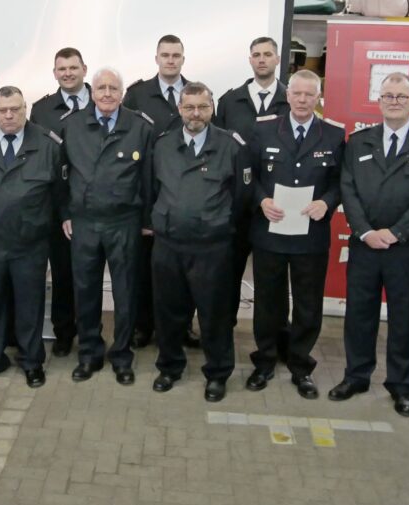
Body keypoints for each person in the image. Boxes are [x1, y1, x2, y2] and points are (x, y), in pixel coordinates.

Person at [329, 72, 409, 417]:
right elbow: (348, 189)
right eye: (388, 96)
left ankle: (401, 386)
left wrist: (397, 232)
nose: (394, 101)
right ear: (379, 101)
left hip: (405, 248)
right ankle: (356, 376)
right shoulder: (359, 141)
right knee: (359, 315)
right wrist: (366, 231)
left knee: (404, 318)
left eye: (401, 96)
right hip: (365, 246)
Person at [246, 70, 344, 399]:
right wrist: (261, 199)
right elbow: (249, 175)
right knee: (267, 303)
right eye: (297, 94)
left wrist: (326, 203)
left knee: (307, 305)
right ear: (288, 96)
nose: (302, 100)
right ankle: (265, 361)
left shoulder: (332, 135)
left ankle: (301, 366)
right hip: (270, 233)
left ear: (318, 97)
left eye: (309, 95)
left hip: (310, 235)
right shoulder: (262, 130)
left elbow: (340, 182)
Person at [149, 82, 249, 402]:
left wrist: (218, 223)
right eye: (189, 107)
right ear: (179, 109)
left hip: (212, 247)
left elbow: (242, 197)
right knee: (168, 312)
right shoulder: (162, 145)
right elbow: (151, 188)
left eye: (202, 107)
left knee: (214, 315)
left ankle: (218, 374)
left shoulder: (231, 145)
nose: (196, 113)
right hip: (169, 244)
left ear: (212, 108)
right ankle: (169, 367)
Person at [0, 86, 65, 389]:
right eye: (2, 110)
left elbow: (59, 195)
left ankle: (32, 361)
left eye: (15, 109)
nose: (9, 116)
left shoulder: (48, 145)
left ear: (26, 109)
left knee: (29, 304)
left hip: (30, 242)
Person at [62, 67, 153, 386]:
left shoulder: (139, 127)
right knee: (85, 291)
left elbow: (148, 178)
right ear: (92, 91)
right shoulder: (72, 125)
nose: (107, 94)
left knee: (126, 292)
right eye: (101, 88)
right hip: (85, 222)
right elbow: (61, 174)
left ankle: (122, 355)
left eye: (113, 88)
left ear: (122, 92)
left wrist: (146, 221)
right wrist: (65, 213)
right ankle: (89, 353)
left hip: (124, 222)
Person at [122, 34, 199, 350]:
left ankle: (181, 328)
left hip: (183, 195)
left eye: (176, 55)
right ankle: (143, 326)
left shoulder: (196, 94)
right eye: (165, 55)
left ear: (183, 58)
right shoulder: (138, 94)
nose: (170, 60)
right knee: (143, 268)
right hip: (145, 192)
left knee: (182, 270)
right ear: (156, 58)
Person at [215, 36, 292, 333]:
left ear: (277, 59)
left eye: (267, 54)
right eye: (256, 54)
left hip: (276, 208)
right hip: (235, 208)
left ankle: (274, 341)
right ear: (250, 60)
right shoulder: (229, 101)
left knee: (273, 280)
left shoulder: (291, 101)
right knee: (227, 275)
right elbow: (218, 152)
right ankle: (222, 333)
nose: (262, 59)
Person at [30, 47, 92, 357]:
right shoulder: (41, 110)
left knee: (94, 275)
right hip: (57, 206)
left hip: (97, 207)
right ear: (55, 73)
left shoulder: (103, 102)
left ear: (84, 69)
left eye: (73, 67)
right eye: (61, 68)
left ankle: (93, 333)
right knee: (64, 273)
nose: (67, 73)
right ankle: (64, 331)